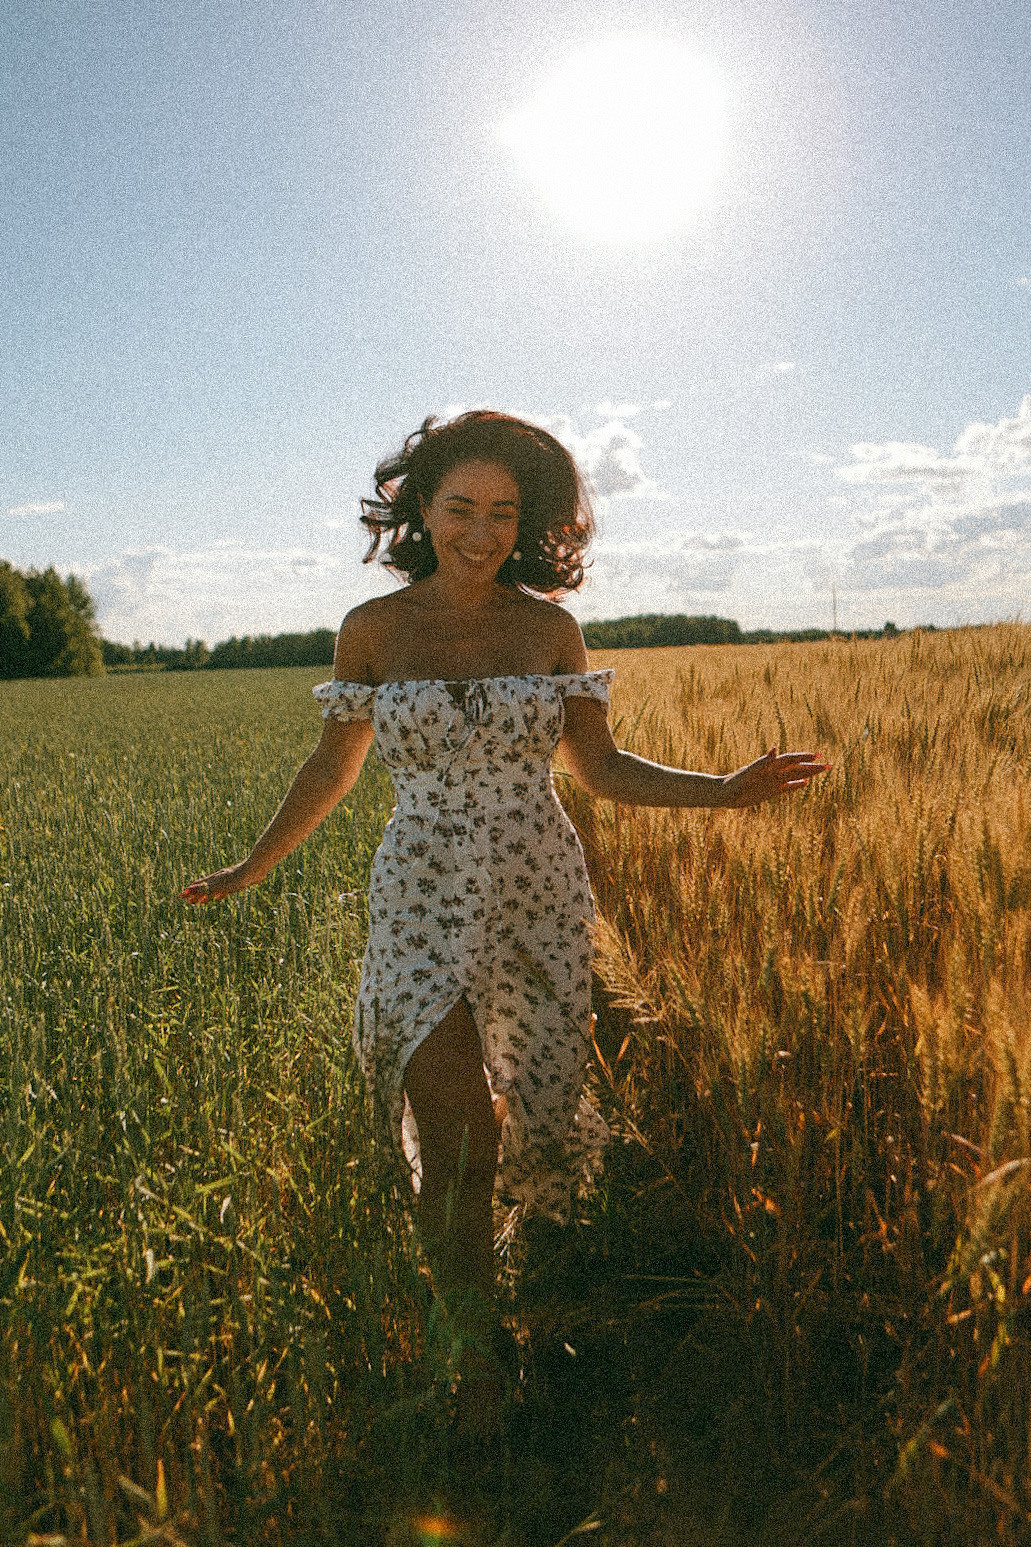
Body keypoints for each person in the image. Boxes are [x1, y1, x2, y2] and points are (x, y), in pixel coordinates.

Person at [182, 409, 828, 1433]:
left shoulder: (547, 629)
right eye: (459, 508)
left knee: (526, 1106)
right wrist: (249, 865)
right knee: (455, 1123)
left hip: (534, 883)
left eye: (502, 512)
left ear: (526, 522)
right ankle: (470, 1353)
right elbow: (331, 765)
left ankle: (515, 1295)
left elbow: (599, 768)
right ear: (418, 509)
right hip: (419, 887)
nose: (479, 531)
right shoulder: (373, 631)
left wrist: (725, 790)